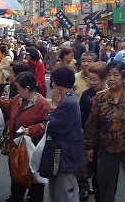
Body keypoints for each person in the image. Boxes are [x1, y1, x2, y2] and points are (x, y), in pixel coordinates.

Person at [84, 61, 125, 202]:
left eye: (116, 75)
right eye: (109, 75)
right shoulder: (100, 97)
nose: (111, 78)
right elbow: (92, 123)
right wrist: (89, 147)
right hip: (106, 149)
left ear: (124, 78)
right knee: (106, 187)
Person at [0, 72, 51, 202]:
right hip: (16, 145)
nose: (17, 91)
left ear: (27, 88)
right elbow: (9, 106)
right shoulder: (18, 98)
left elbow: (47, 124)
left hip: (32, 148)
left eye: (19, 88)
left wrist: (31, 130)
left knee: (33, 177)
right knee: (16, 173)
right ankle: (16, 196)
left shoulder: (42, 104)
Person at [45, 66, 87, 202]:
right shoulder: (70, 98)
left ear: (58, 83)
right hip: (67, 151)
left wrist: (51, 109)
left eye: (53, 81)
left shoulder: (68, 103)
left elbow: (52, 125)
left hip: (65, 152)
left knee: (64, 191)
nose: (52, 84)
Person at [78, 62, 107, 201]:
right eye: (90, 79)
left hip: (106, 142)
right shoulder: (86, 95)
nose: (92, 82)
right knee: (87, 169)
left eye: (95, 79)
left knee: (102, 176)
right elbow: (82, 118)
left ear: (104, 79)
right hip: (89, 140)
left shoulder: (110, 94)